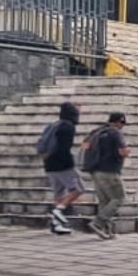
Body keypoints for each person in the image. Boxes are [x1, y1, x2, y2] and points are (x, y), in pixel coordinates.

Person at [82, 112, 130, 240]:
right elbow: (122, 152)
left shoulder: (96, 131)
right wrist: (127, 151)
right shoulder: (115, 133)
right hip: (110, 171)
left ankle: (107, 231)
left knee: (105, 201)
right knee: (119, 198)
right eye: (122, 123)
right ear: (118, 122)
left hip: (95, 170)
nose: (122, 126)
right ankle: (98, 223)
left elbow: (84, 146)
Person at [37, 101, 82, 235]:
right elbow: (63, 148)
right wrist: (69, 164)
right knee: (78, 189)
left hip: (49, 164)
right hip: (63, 164)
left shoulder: (53, 125)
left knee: (59, 193)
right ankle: (58, 210)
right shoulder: (68, 127)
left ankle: (56, 225)